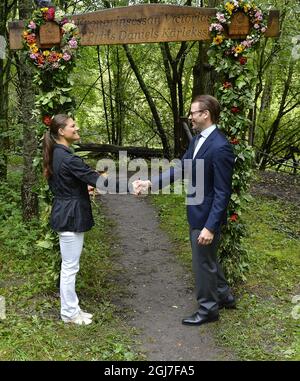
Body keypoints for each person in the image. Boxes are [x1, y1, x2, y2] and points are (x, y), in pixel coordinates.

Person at [135, 95, 236, 326]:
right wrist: (151, 183)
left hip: (206, 216)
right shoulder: (198, 139)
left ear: (205, 114)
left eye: (193, 113)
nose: (190, 117)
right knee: (207, 258)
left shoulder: (221, 147)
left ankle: (208, 309)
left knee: (202, 263)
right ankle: (224, 296)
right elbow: (181, 167)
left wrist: (210, 227)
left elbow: (222, 192)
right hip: (196, 211)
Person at [43, 114, 108, 325]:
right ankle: (69, 313)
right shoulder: (69, 158)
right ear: (61, 131)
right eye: (73, 125)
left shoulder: (57, 155)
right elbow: (98, 181)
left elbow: (66, 183)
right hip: (70, 215)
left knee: (71, 266)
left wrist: (83, 187)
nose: (76, 127)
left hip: (66, 209)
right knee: (70, 267)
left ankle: (73, 309)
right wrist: (129, 185)